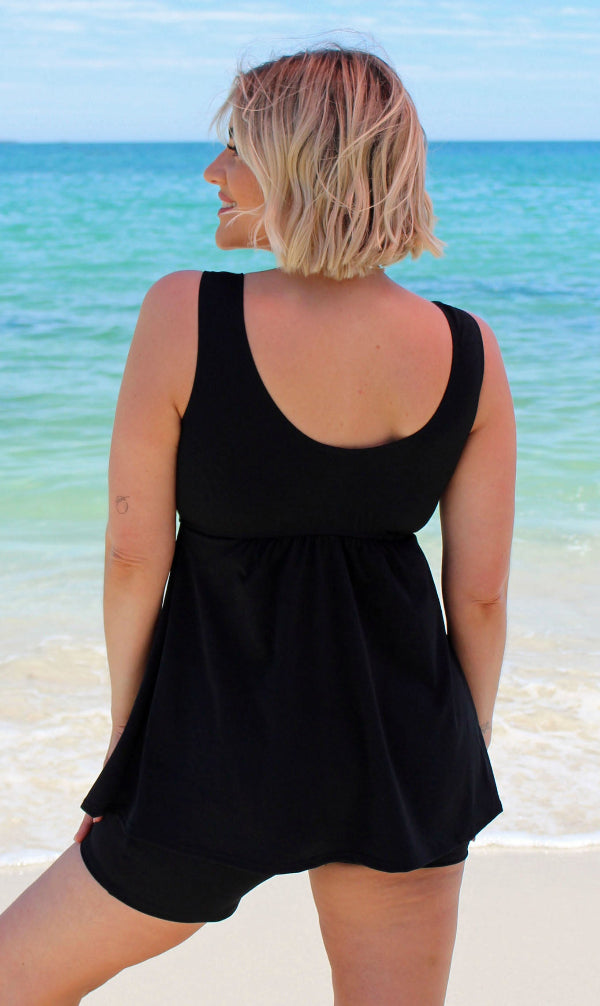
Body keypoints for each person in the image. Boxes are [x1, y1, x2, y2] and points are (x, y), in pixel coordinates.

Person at [0, 45, 515, 1005]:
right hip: (399, 753)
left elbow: (131, 555)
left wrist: (129, 747)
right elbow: (479, 594)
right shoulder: (468, 348)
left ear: (294, 164)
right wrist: (457, 753)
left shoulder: (184, 311)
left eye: (236, 146)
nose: (213, 172)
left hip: (211, 746)